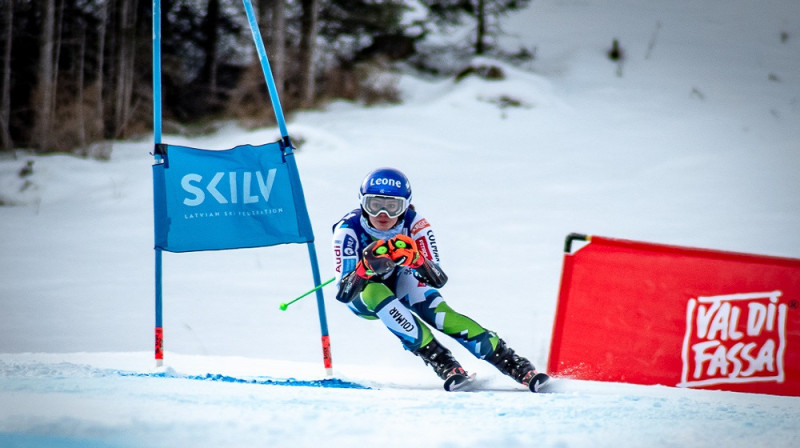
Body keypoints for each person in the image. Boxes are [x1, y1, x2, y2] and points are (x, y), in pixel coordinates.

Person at [331, 167, 550, 392]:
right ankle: (443, 362)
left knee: (437, 312)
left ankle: (514, 364)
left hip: (401, 278)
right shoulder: (347, 230)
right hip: (364, 296)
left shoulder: (415, 224)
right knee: (374, 291)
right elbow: (344, 294)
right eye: (374, 205)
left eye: (392, 206)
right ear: (362, 203)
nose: (383, 215)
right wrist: (364, 269)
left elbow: (437, 279)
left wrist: (417, 261)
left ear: (405, 206)